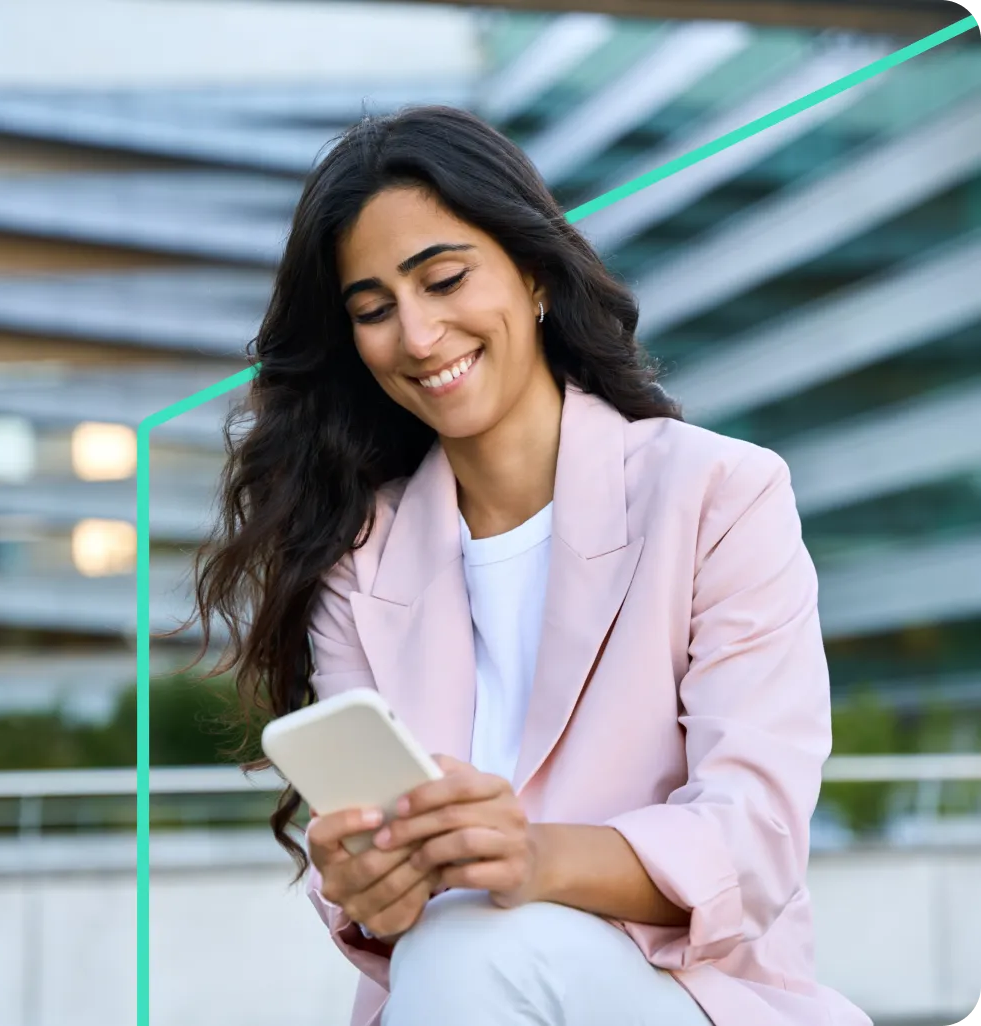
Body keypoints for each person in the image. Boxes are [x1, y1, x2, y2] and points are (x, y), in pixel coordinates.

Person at [186, 105, 871, 1026]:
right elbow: (383, 906)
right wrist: (368, 887)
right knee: (459, 943)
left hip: (691, 998)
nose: (420, 336)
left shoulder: (719, 493)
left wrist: (534, 857)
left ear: (536, 274)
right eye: (375, 310)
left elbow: (755, 839)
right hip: (459, 991)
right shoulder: (357, 558)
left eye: (445, 280)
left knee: (480, 941)